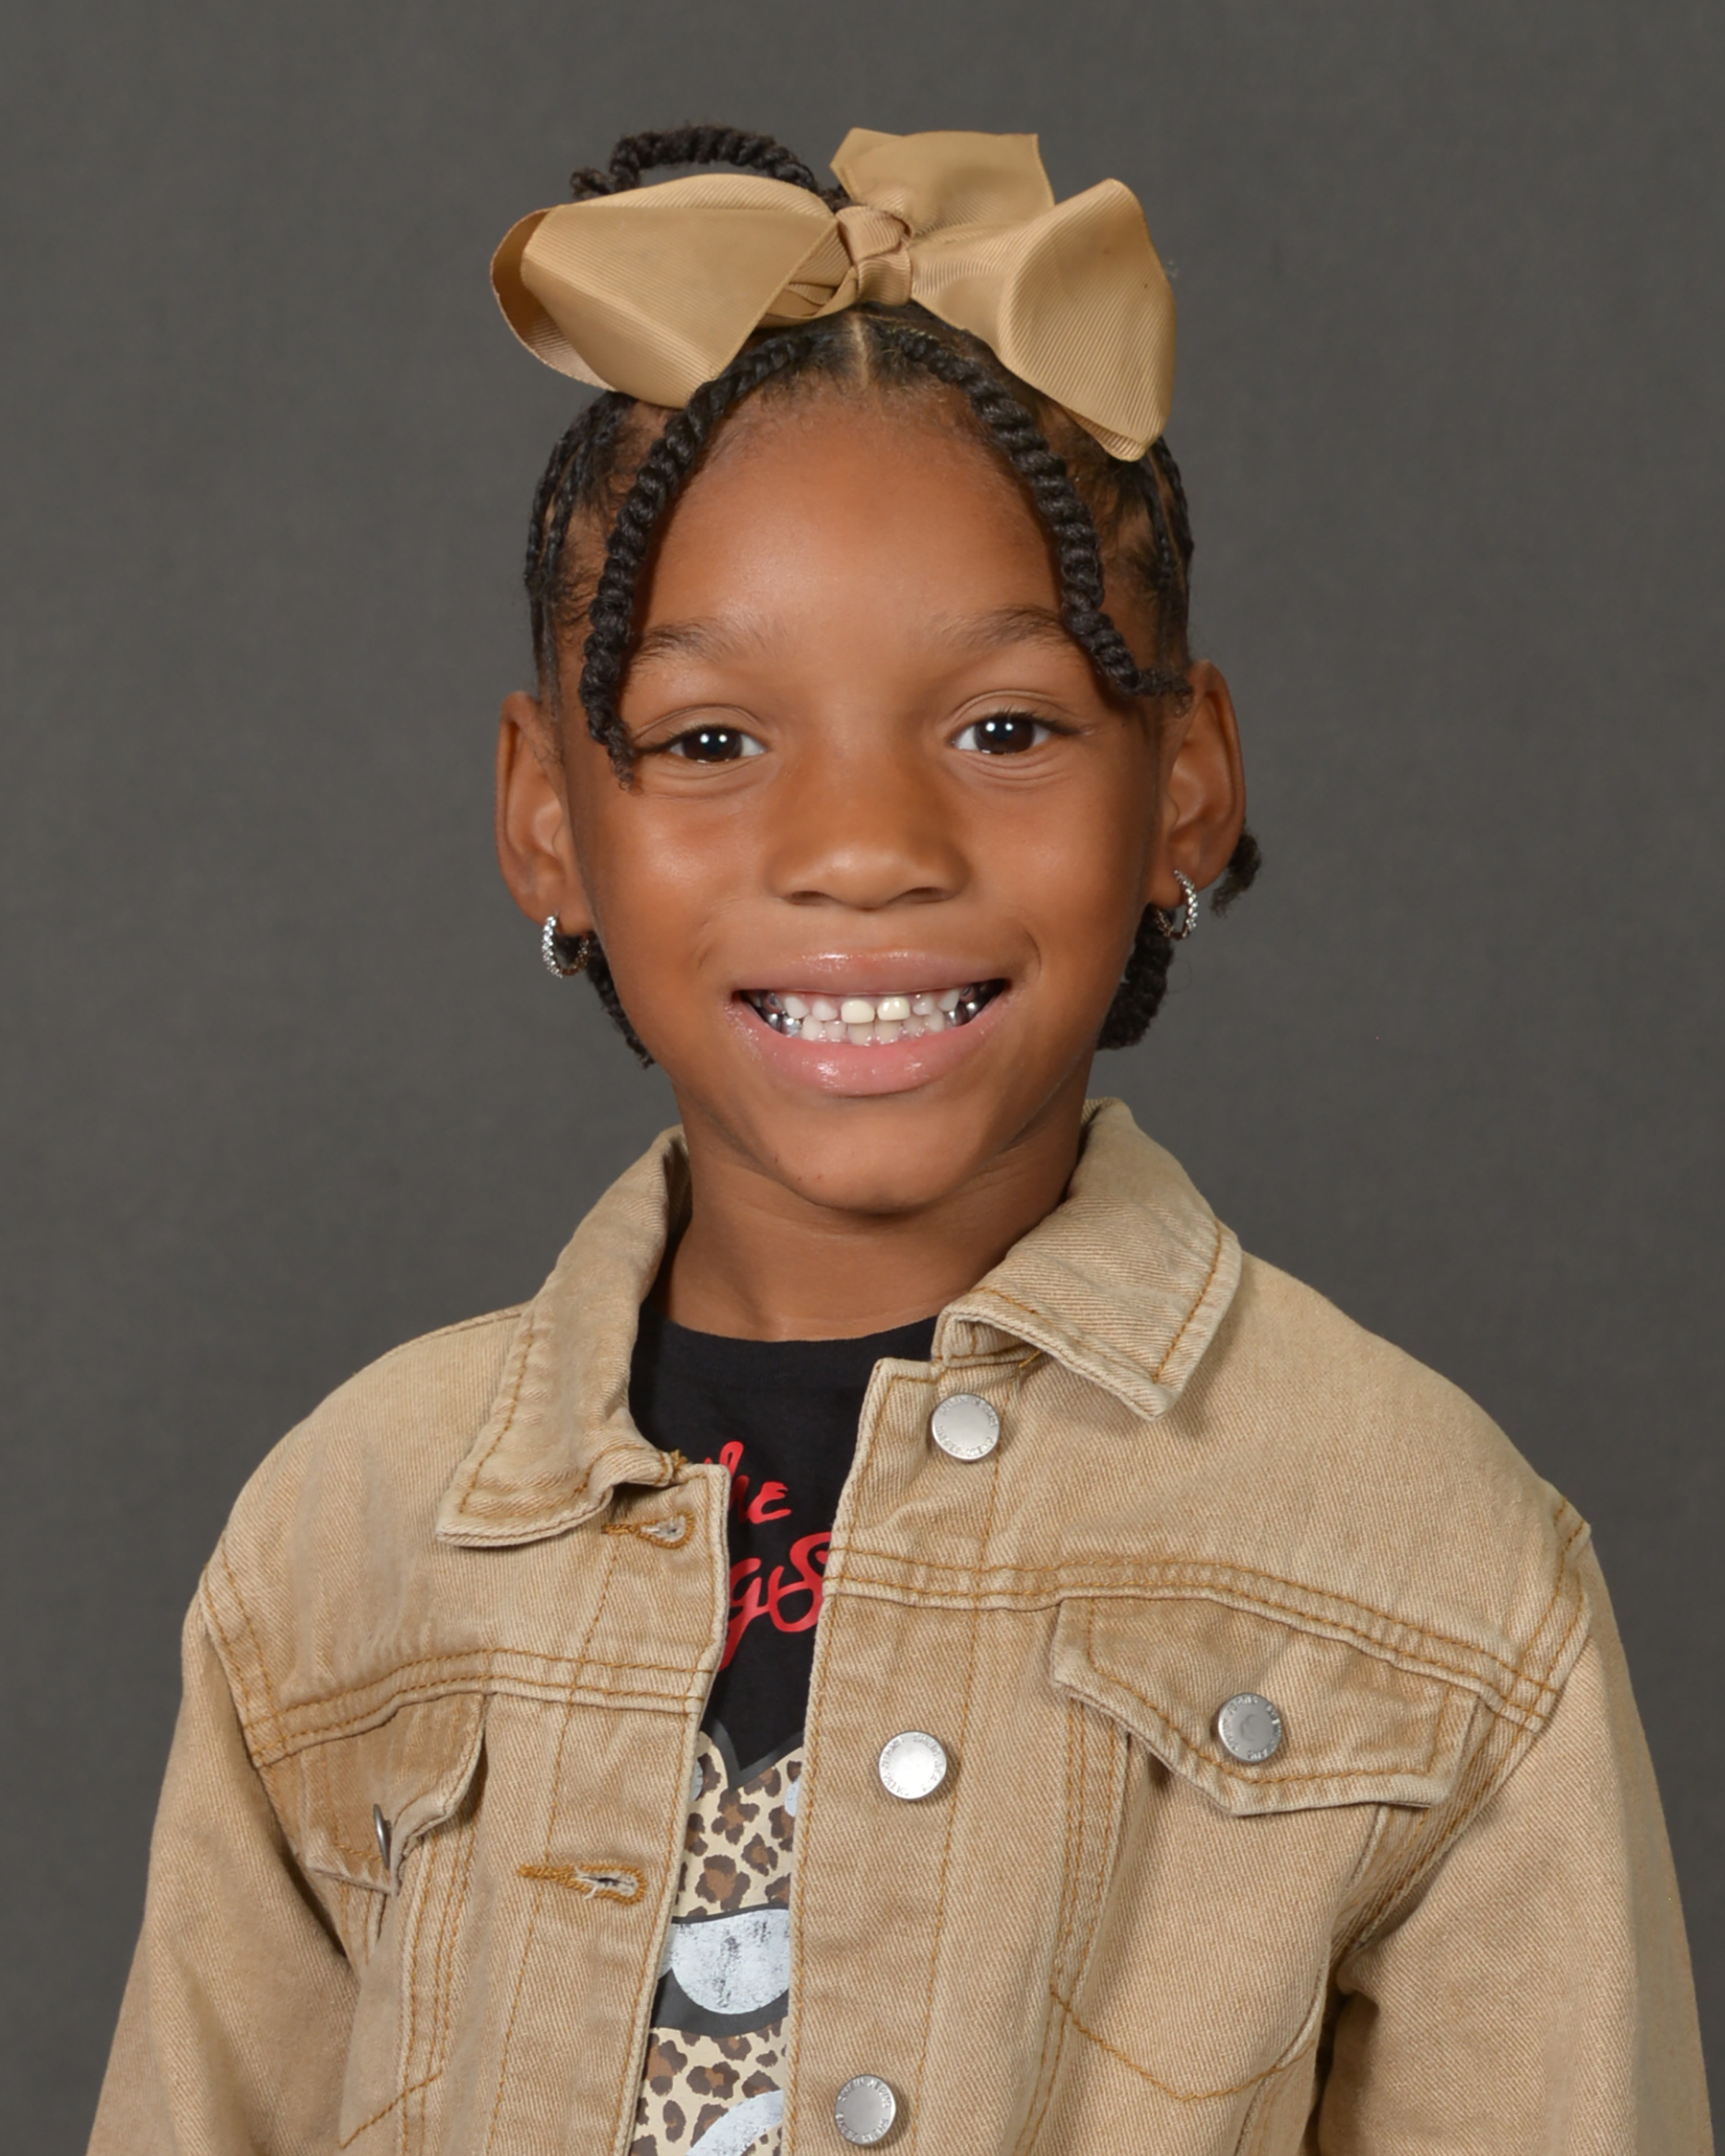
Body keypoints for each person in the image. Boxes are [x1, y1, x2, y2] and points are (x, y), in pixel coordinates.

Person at [90, 124, 1709, 2156]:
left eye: (1005, 729)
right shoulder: (340, 1549)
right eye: (710, 742)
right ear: (544, 816)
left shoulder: (1433, 1566)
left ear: (1187, 781)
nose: (863, 850)